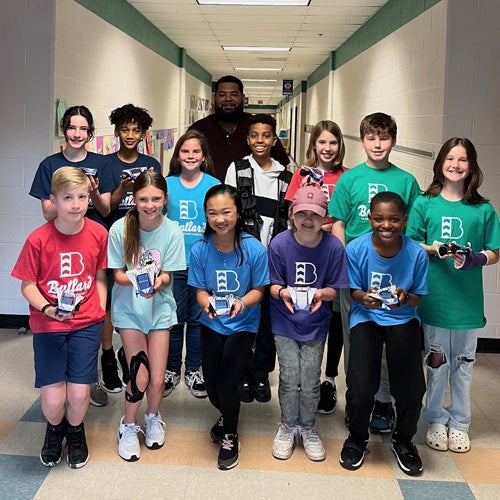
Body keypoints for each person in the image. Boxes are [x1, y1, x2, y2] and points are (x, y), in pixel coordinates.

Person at [328, 112, 421, 432]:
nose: (377, 144)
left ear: (393, 141)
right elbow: (338, 223)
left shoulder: (407, 182)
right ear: (362, 140)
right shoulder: (350, 179)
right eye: (371, 138)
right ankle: (358, 401)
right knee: (358, 338)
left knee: (389, 340)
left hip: (394, 272)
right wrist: (344, 264)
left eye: (384, 138)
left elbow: (413, 230)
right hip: (356, 271)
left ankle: (383, 402)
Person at [406, 138, 500, 453]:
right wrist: (435, 249)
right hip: (435, 298)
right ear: (440, 164)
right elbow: (410, 242)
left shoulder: (483, 208)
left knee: (463, 363)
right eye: (450, 158)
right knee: (437, 363)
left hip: (467, 302)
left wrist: (477, 259)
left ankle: (460, 422)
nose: (456, 165)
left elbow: (495, 251)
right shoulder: (424, 203)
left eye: (462, 160)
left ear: (471, 166)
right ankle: (434, 417)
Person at [12, 167, 108, 469]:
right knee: (54, 402)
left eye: (82, 197)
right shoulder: (38, 239)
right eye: (68, 198)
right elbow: (27, 285)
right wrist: (48, 309)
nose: (76, 204)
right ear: (53, 200)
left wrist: (99, 310)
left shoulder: (98, 233)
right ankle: (55, 430)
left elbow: (100, 276)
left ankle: (76, 431)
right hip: (49, 325)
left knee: (79, 396)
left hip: (86, 324)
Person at [29, 105, 115, 408]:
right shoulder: (49, 165)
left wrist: (89, 194)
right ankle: (57, 380)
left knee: (94, 311)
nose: (77, 134)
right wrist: (68, 195)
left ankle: (92, 377)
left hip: (91, 240)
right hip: (60, 241)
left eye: (83, 129)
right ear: (63, 130)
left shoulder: (101, 164)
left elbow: (105, 209)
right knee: (59, 314)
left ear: (90, 132)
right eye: (72, 128)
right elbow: (46, 211)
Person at [339, 191, 427, 476]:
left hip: (402, 319)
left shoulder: (415, 253)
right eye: (378, 219)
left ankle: (403, 441)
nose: (386, 225)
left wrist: (403, 297)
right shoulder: (356, 249)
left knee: (412, 389)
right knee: (362, 385)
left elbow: (417, 299)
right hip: (367, 317)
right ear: (369, 219)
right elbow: (353, 291)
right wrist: (363, 297)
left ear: (404, 220)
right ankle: (357, 438)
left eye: (393, 219)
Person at [188, 184, 269, 470]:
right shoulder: (200, 249)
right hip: (211, 322)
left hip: (243, 324)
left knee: (227, 379)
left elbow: (260, 289)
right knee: (211, 385)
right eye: (213, 213)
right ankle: (227, 412)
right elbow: (198, 289)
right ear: (206, 216)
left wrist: (242, 304)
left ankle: (231, 433)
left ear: (237, 212)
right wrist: (206, 304)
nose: (220, 219)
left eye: (226, 212)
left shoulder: (254, 248)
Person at [108, 171, 185, 462]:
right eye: (143, 199)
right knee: (139, 375)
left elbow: (168, 275)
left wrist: (157, 282)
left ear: (165, 199)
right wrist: (140, 277)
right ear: (134, 200)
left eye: (155, 199)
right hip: (130, 311)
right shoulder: (120, 229)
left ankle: (152, 417)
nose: (149, 205)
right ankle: (128, 425)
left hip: (160, 310)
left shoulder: (173, 231)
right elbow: (117, 274)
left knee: (156, 379)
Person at [268, 186, 349, 462]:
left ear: (324, 217)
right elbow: (273, 285)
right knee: (290, 377)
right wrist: (283, 293)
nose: (307, 220)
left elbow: (334, 289)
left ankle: (308, 426)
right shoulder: (279, 244)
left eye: (314, 215)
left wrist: (320, 295)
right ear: (291, 214)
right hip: (284, 320)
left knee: (311, 378)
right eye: (301, 213)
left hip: (316, 322)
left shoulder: (333, 247)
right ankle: (288, 425)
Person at [225, 113, 292, 403]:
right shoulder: (237, 169)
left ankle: (262, 373)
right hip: (243, 256)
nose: (260, 141)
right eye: (254, 135)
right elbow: (228, 209)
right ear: (248, 138)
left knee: (267, 320)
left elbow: (288, 219)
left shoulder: (287, 175)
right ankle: (240, 372)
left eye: (266, 136)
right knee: (243, 315)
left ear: (274, 139)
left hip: (274, 259)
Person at [285, 120, 346, 414]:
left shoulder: (347, 176)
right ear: (314, 145)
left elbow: (343, 217)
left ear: (340, 146)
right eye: (322, 142)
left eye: (333, 142)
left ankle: (329, 379)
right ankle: (302, 377)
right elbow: (291, 213)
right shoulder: (302, 173)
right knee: (307, 310)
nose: (327, 148)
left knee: (334, 318)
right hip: (308, 252)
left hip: (335, 253)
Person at [103, 104, 162, 396]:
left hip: (146, 243)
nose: (129, 134)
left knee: (140, 298)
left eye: (135, 129)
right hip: (116, 239)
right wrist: (124, 189)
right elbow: (105, 207)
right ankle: (108, 356)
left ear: (143, 133)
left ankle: (132, 355)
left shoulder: (152, 162)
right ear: (116, 131)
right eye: (124, 129)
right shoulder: (107, 164)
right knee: (113, 303)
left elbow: (159, 200)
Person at [163, 130, 220, 398]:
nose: (190, 156)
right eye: (185, 151)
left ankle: (194, 369)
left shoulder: (213, 185)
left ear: (204, 155)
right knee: (174, 319)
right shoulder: (167, 184)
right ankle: (171, 369)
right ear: (178, 155)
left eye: (196, 151)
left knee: (198, 320)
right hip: (173, 264)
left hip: (203, 264)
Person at [189, 75, 289, 181]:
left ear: (242, 98)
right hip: (208, 194)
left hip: (251, 196)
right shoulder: (199, 129)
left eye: (234, 94)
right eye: (222, 94)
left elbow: (281, 167)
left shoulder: (257, 126)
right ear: (215, 98)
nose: (228, 99)